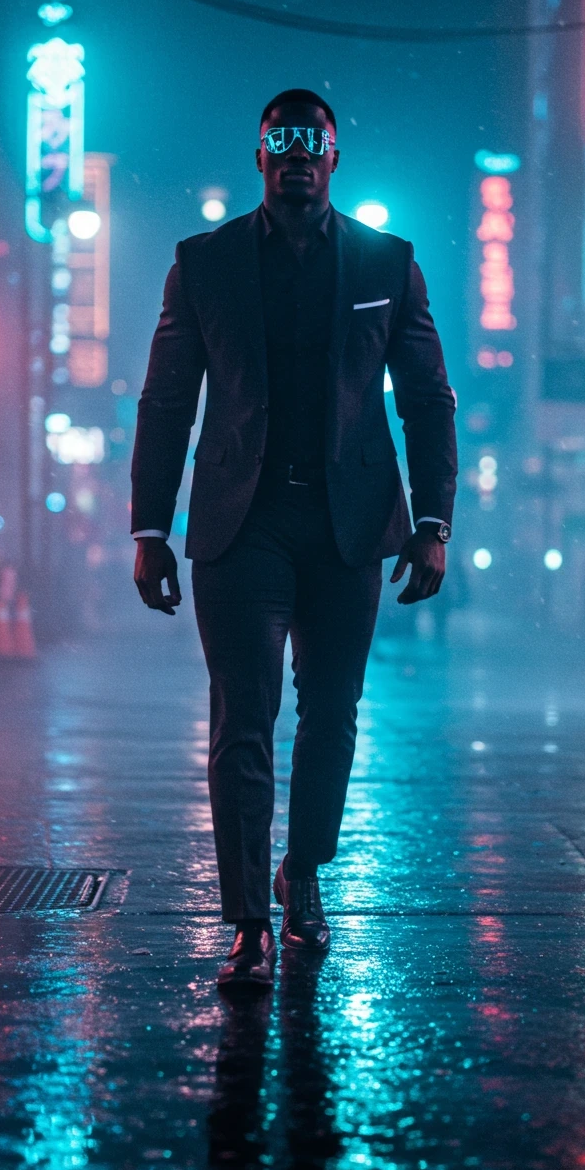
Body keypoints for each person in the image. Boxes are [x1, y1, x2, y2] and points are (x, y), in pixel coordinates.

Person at [131, 89, 457, 990]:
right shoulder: (203, 263)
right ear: (261, 156)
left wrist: (433, 523)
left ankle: (302, 872)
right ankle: (247, 923)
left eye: (313, 140)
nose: (298, 154)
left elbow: (427, 400)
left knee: (332, 713)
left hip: (348, 526)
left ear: (335, 157)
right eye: (282, 140)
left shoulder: (388, 261)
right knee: (243, 716)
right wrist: (151, 527)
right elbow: (167, 401)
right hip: (241, 524)